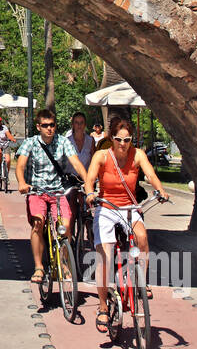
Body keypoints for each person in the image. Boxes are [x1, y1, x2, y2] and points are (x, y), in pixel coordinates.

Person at [84, 117, 170, 334]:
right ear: (111, 138)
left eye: (127, 139)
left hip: (129, 207)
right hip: (106, 206)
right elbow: (90, 178)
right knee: (105, 253)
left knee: (142, 238)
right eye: (118, 139)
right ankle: (103, 307)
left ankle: (141, 281)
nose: (123, 143)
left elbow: (150, 175)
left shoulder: (138, 155)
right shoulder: (102, 155)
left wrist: (160, 190)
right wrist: (90, 193)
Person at [14, 108, 67, 284]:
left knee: (65, 226)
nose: (49, 128)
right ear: (38, 127)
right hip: (36, 191)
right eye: (45, 125)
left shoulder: (62, 142)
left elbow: (75, 161)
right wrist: (22, 183)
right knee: (38, 223)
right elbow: (20, 165)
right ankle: (39, 266)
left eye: (52, 125)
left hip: (58, 192)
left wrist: (88, 185)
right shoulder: (30, 143)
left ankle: (64, 263)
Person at [58, 111, 96, 232]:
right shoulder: (66, 141)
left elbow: (94, 159)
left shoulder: (91, 140)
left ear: (85, 125)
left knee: (87, 206)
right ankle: (71, 236)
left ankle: (87, 230)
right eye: (76, 123)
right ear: (72, 125)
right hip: (71, 177)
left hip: (86, 177)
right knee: (72, 208)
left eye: (81, 123)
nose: (79, 125)